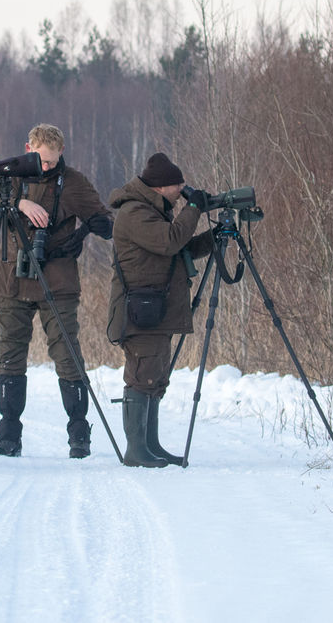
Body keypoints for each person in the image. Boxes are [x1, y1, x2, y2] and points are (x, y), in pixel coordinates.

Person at [0, 123, 111, 458]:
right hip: (11, 279)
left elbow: (105, 222)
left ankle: (79, 435)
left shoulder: (73, 182)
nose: (45, 167)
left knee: (67, 354)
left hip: (57, 279)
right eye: (40, 160)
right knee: (9, 355)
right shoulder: (9, 175)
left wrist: (78, 236)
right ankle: (9, 436)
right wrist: (17, 204)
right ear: (28, 148)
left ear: (62, 152)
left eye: (51, 161)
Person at [106, 152, 215, 468]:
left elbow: (179, 249)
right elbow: (170, 242)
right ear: (161, 187)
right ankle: (136, 450)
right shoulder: (135, 213)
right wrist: (194, 207)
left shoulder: (153, 211)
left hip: (154, 307)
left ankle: (150, 446)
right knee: (142, 376)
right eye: (177, 185)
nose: (182, 189)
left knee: (154, 377)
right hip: (139, 311)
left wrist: (214, 238)